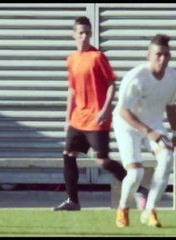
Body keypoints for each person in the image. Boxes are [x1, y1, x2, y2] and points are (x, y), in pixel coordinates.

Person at [53, 16, 148, 211]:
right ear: (74, 35)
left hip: (97, 119)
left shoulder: (97, 57)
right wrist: (67, 118)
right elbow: (71, 90)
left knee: (102, 160)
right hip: (78, 118)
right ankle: (73, 201)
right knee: (68, 154)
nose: (85, 37)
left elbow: (112, 83)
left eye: (88, 33)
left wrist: (105, 109)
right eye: (81, 33)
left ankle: (139, 190)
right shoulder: (71, 60)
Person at [113, 34, 176, 228]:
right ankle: (123, 209)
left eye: (166, 55)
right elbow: (123, 111)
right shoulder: (135, 78)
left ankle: (149, 210)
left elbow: (170, 105)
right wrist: (148, 131)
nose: (162, 59)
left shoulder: (173, 77)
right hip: (127, 125)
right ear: (148, 56)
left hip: (154, 123)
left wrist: (175, 135)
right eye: (158, 54)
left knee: (168, 158)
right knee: (136, 174)